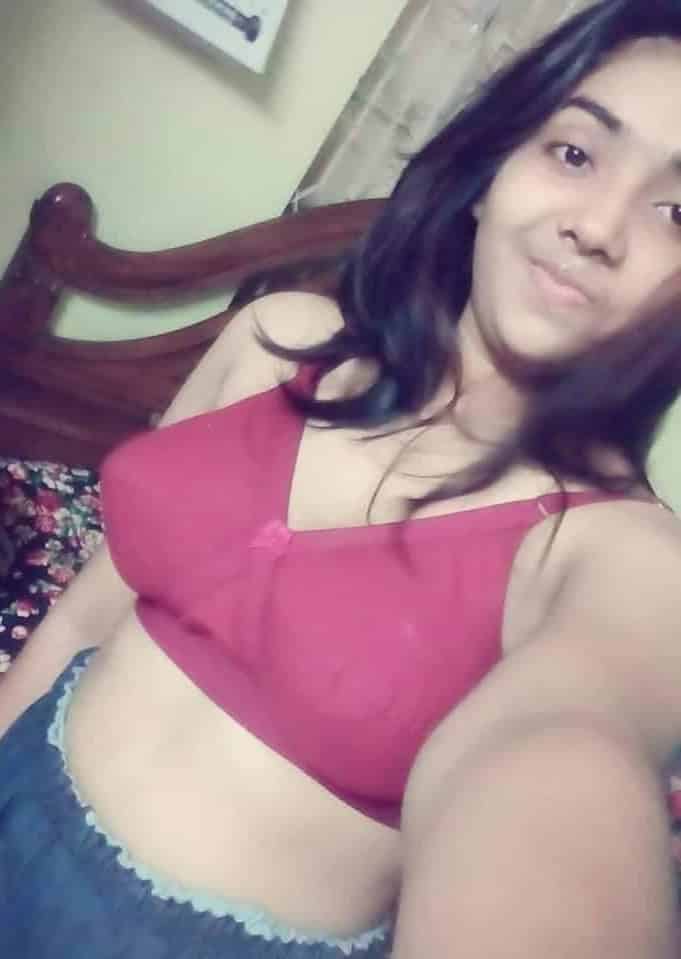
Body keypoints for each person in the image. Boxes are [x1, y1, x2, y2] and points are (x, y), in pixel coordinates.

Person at [2, 0, 681, 954]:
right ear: (491, 173)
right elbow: (88, 612)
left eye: (678, 213)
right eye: (573, 153)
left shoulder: (628, 557)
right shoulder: (274, 339)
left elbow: (570, 748)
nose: (597, 225)